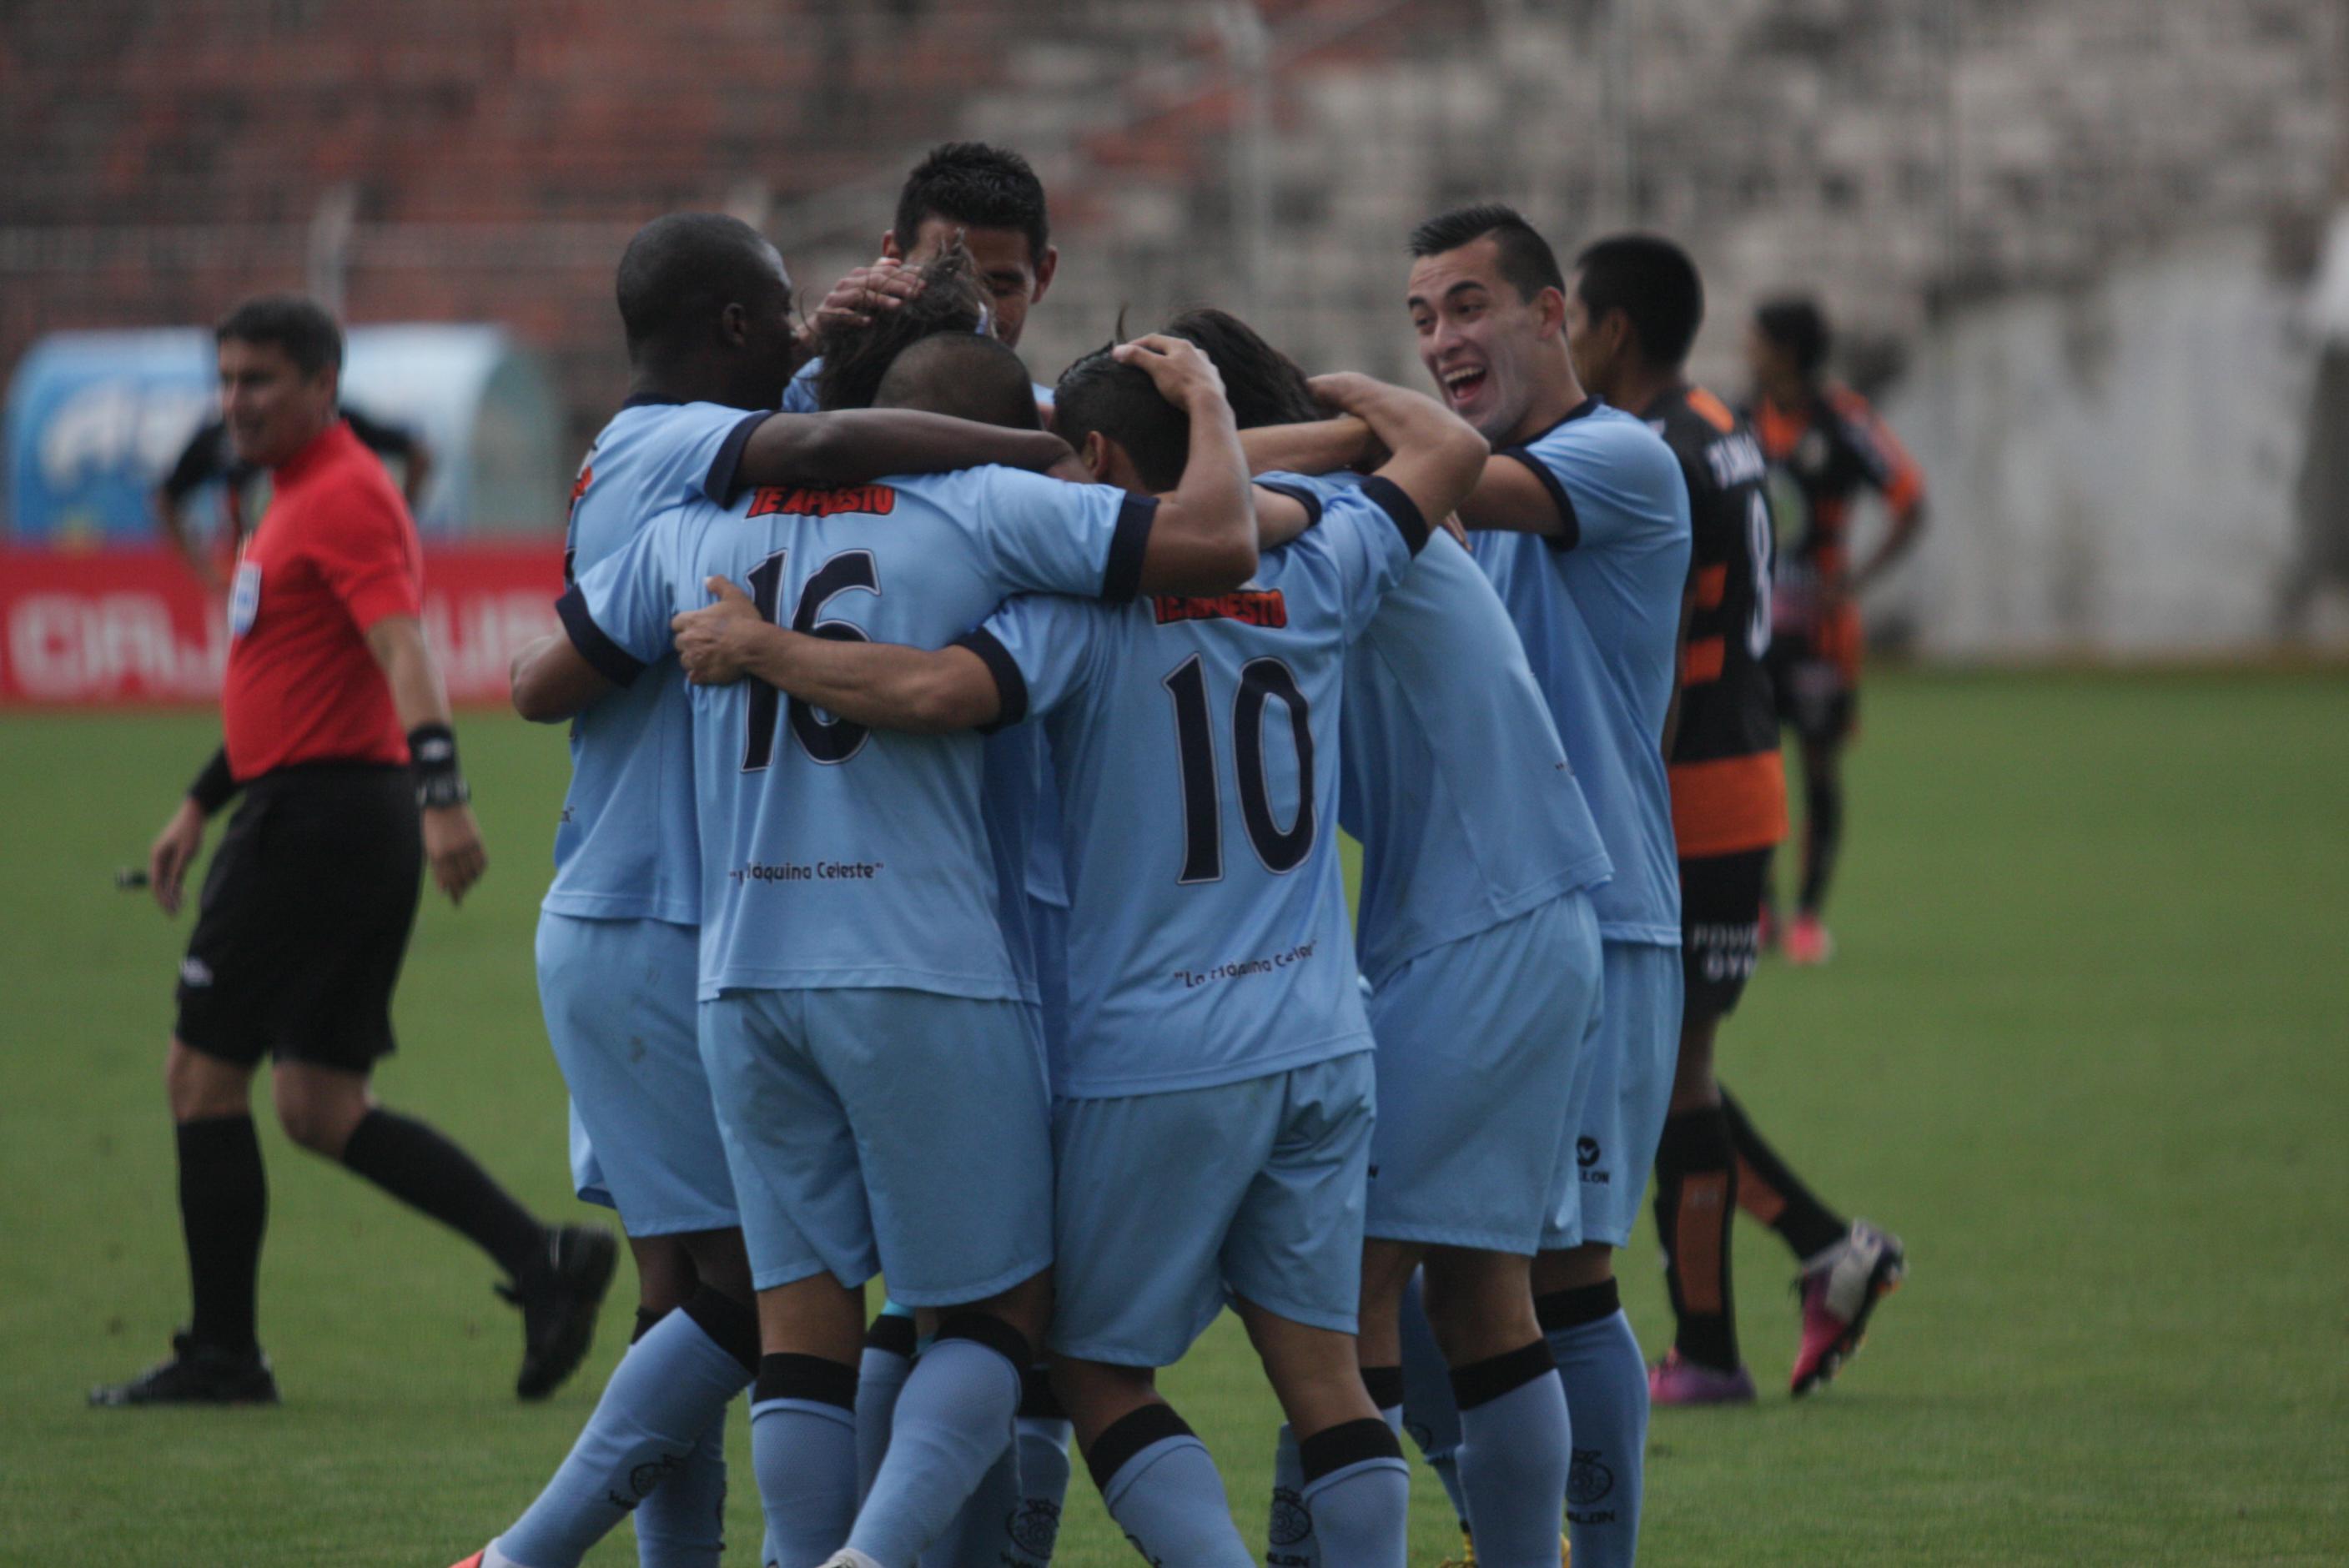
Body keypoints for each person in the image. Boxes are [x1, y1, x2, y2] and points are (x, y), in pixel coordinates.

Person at [672, 338, 1489, 1568]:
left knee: (1092, 1371)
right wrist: (1263, 404)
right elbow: (1448, 448)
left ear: (1095, 463)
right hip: (1323, 1038)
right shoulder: (1321, 562)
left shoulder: (1087, 610)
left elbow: (940, 691)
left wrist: (765, 652)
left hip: (1158, 1051)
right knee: (1328, 1387)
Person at [508, 329, 1261, 1568]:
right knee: (997, 1315)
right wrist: (1209, 404)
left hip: (742, 972)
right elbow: (1215, 543)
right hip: (917, 963)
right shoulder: (984, 508)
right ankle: (873, 1559)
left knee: (800, 1324)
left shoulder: (697, 530)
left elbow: (542, 683)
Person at [457, 216, 1088, 1568]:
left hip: (676, 917)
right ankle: (529, 1552)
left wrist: (833, 353)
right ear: (735, 330)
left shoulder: (696, 504)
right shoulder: (687, 455)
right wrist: (1033, 445)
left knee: (703, 1297)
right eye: (783, 313)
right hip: (681, 911)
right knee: (804, 1306)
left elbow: (535, 678)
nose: (804, 333)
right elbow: (813, 443)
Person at [93, 295, 614, 1410]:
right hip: (322, 807)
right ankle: (545, 1260)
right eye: (225, 379)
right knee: (318, 1104)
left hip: (320, 823)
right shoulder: (289, 499)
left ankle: (224, 1355)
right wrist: (197, 801)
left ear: (325, 386)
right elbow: (296, 687)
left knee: (201, 1077)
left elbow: (401, 649)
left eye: (260, 380)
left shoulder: (339, 495)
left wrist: (447, 798)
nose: (235, 401)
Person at [1168, 307, 1612, 1568]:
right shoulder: (1373, 522)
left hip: (1479, 930)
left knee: (1340, 1291)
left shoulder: (1323, 516)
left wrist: (1264, 423)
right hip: (1521, 914)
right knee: (1483, 1297)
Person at [1399, 204, 1692, 1568]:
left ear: (1553, 313)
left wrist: (1272, 415)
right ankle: (1512, 1532)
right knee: (1406, 1270)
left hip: (1599, 915)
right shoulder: (1476, 482)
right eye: (1420, 320)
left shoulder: (1616, 456)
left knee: (1560, 1278)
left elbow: (1445, 479)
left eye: (1467, 307)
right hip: (1486, 927)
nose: (1443, 340)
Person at [1745, 295, 1928, 964]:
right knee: (1753, 765)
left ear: (1788, 351)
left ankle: (1808, 916)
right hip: (1753, 631)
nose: (1748, 352)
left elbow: (1910, 500)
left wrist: (1853, 582)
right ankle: (1759, 908)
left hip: (1820, 634)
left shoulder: (1845, 422)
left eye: (1757, 340)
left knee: (1818, 768)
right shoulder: (1737, 419)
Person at [784, 141, 1060, 418]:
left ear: (1044, 276)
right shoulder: (808, 392)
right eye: (946, 279)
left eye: (999, 288)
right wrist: (805, 343)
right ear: (893, 256)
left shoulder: (1067, 429)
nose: (977, 310)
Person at [156, 405, 430, 591]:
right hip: (258, 579)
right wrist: (205, 572)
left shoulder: (337, 423)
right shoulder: (222, 436)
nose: (240, 394)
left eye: (260, 377)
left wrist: (395, 531)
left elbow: (418, 455)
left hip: (329, 574)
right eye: (230, 379)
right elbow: (167, 497)